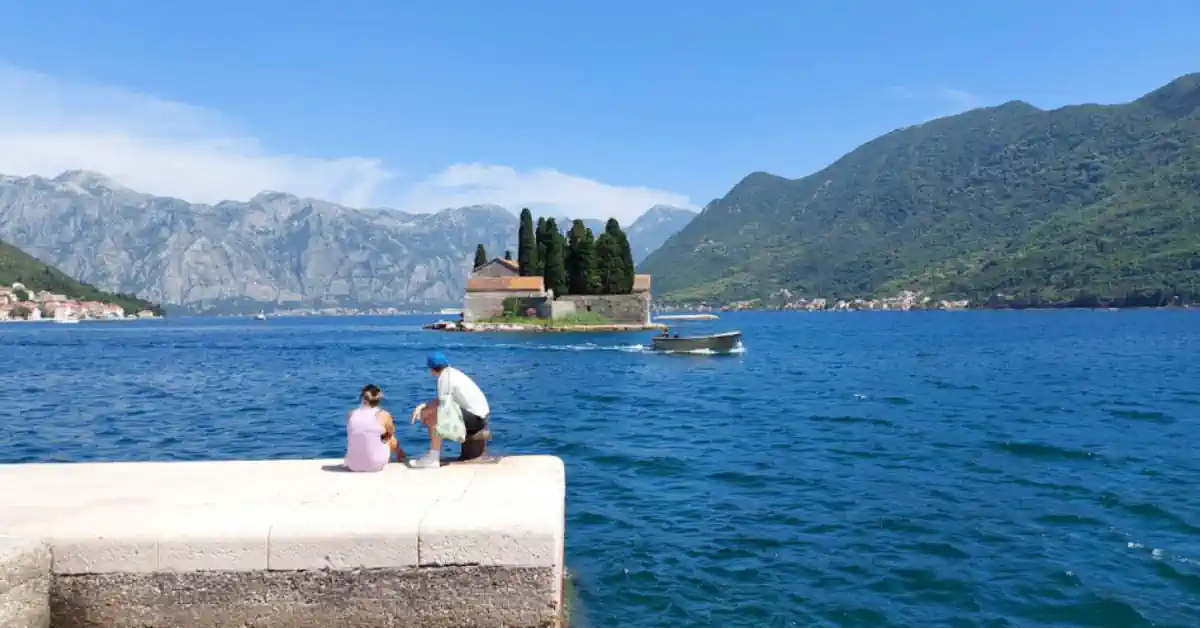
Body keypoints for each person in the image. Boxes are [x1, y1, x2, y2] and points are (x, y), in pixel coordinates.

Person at [409, 352, 490, 469]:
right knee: (432, 413)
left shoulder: (444, 379)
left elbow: (443, 406)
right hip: (480, 416)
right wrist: (423, 406)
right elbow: (442, 400)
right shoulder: (452, 373)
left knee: (435, 416)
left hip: (476, 420)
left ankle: (433, 457)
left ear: (431, 369)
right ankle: (433, 454)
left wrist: (425, 414)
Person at [344, 384, 402, 472]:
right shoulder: (384, 415)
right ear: (379, 399)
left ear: (362, 398)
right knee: (391, 438)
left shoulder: (351, 414)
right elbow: (389, 434)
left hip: (352, 465)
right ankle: (401, 457)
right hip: (376, 466)